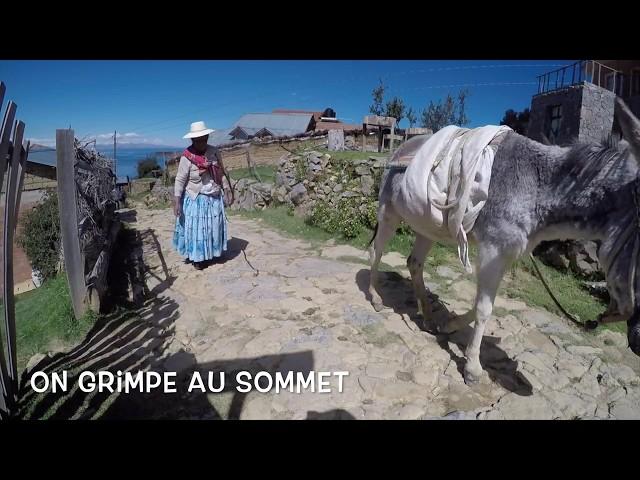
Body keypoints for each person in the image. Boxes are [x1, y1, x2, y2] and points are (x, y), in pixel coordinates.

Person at [172, 121, 228, 270]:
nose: (202, 142)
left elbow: (221, 172)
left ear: (208, 137)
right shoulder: (187, 157)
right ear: (192, 140)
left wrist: (227, 189)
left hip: (214, 197)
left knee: (212, 228)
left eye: (204, 139)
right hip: (196, 198)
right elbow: (180, 179)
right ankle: (198, 258)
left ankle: (211, 253)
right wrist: (176, 201)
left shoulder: (214, 152)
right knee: (199, 231)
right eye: (198, 140)